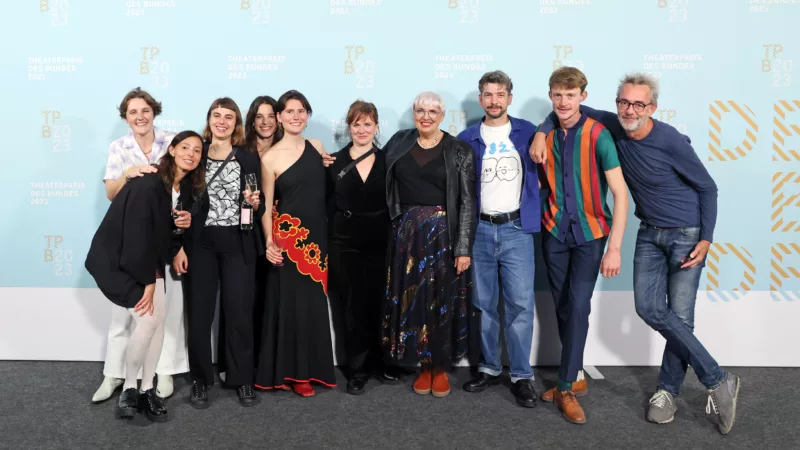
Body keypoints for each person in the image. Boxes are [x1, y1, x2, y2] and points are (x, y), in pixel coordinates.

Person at [531, 72, 741, 435]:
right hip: (649, 232)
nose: (630, 110)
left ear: (652, 108)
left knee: (680, 317)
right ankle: (716, 378)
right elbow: (565, 110)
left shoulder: (671, 140)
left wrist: (706, 239)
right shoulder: (612, 123)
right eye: (624, 102)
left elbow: (708, 188)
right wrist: (538, 131)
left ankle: (673, 389)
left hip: (687, 233)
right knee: (648, 308)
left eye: (638, 104)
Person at [86, 130, 204, 422]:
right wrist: (150, 282)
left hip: (149, 260)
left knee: (157, 323)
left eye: (198, 150)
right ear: (172, 150)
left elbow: (165, 232)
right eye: (185, 147)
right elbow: (139, 236)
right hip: (118, 261)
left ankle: (147, 389)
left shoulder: (185, 188)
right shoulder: (150, 183)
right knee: (149, 319)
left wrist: (181, 233)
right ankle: (129, 388)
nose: (191, 153)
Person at [535, 67, 629, 424]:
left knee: (577, 305)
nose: (563, 101)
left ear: (583, 97)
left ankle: (565, 387)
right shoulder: (545, 135)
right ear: (551, 97)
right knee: (562, 306)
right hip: (554, 231)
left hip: (591, 234)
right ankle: (574, 374)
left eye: (570, 95)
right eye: (558, 95)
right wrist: (541, 132)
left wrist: (615, 247)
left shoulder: (599, 135)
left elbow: (620, 194)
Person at [93, 88, 189, 403]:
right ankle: (114, 374)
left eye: (145, 110)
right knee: (124, 312)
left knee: (167, 312)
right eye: (133, 112)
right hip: (130, 238)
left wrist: (180, 239)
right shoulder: (118, 147)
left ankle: (164, 371)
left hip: (166, 236)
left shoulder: (172, 142)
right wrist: (128, 174)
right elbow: (111, 193)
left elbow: (187, 182)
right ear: (125, 117)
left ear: (154, 112)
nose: (140, 117)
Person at [381, 91, 477, 398]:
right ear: (413, 112)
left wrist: (462, 248)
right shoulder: (399, 141)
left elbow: (467, 201)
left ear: (442, 115)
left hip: (443, 236)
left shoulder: (458, 149)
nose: (426, 116)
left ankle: (440, 367)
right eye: (420, 110)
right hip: (406, 237)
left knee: (441, 300)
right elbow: (374, 172)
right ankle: (422, 365)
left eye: (433, 111)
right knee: (414, 300)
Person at [457, 71, 541, 408]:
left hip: (516, 229)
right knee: (483, 305)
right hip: (479, 229)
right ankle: (489, 368)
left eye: (500, 94)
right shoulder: (466, 138)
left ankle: (521, 375)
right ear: (481, 99)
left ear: (509, 97)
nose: (494, 100)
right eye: (488, 95)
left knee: (521, 306)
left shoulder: (529, 132)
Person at [176, 97, 264, 409]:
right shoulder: (195, 153)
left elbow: (260, 202)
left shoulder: (247, 158)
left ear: (236, 123)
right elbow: (180, 198)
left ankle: (241, 378)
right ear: (209, 119)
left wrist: (256, 204)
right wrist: (179, 245)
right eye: (217, 115)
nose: (222, 121)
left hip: (238, 244)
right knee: (200, 316)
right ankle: (200, 380)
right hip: (201, 246)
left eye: (229, 117)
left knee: (239, 313)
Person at [256, 90, 337, 397]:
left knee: (313, 304)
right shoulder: (270, 157)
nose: (296, 117)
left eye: (301, 111)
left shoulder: (317, 147)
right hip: (287, 240)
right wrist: (268, 242)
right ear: (279, 117)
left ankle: (313, 370)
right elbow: (265, 204)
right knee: (288, 306)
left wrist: (328, 166)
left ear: (307, 115)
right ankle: (292, 374)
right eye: (289, 112)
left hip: (317, 240)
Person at [326, 100, 397, 395]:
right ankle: (357, 369)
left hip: (382, 240)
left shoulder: (388, 161)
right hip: (345, 243)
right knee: (352, 307)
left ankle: (381, 362)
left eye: (368, 124)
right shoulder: (333, 162)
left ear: (377, 127)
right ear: (349, 127)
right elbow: (326, 205)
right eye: (357, 124)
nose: (362, 129)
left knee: (381, 304)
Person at [242, 95, 281, 367]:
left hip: (280, 231)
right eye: (259, 116)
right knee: (246, 297)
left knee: (273, 296)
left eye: (270, 116)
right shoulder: (242, 151)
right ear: (251, 120)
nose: (265, 122)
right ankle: (244, 361)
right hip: (245, 232)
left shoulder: (289, 148)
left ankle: (270, 361)